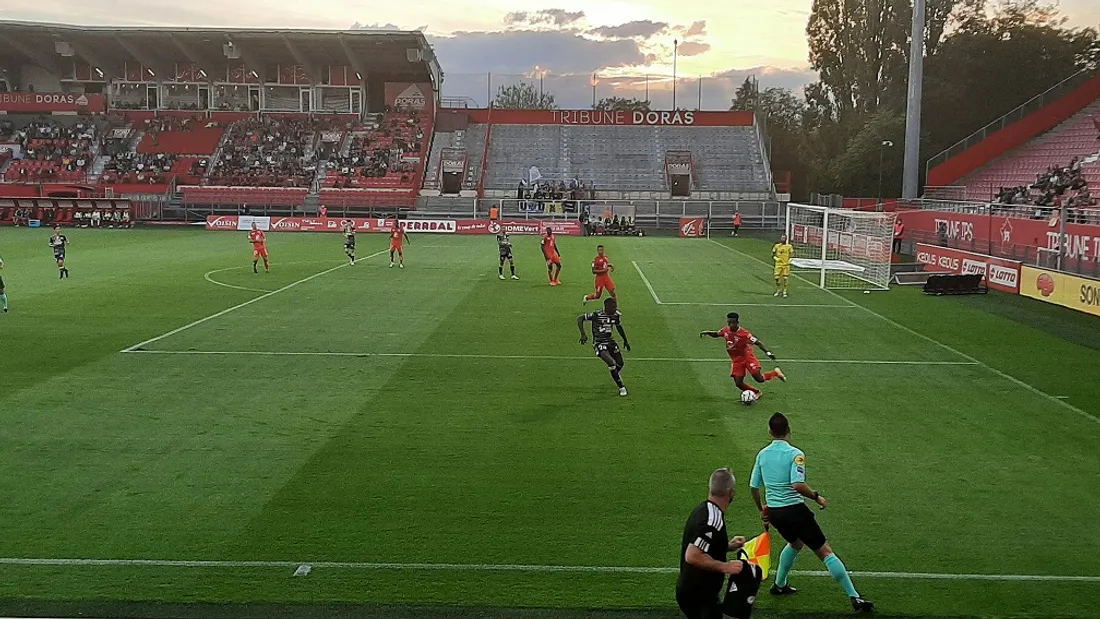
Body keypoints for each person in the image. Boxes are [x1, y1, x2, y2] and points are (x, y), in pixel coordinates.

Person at [750, 413, 874, 612]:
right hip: (795, 511)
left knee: (795, 543)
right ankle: (854, 597)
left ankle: (779, 585)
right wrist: (817, 497)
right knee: (825, 552)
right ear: (788, 430)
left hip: (775, 513)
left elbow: (754, 487)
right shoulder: (795, 454)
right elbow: (797, 484)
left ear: (770, 431)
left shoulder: (762, 455)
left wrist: (762, 510)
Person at [675, 467, 747, 619]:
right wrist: (725, 567)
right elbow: (692, 555)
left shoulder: (704, 509)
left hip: (694, 591)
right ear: (731, 492)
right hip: (699, 597)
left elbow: (704, 546)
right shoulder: (711, 520)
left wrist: (728, 546)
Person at [700, 313, 784, 399]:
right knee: (738, 383)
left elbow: (757, 343)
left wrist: (768, 353)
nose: (730, 325)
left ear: (737, 322)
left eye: (732, 323)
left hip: (747, 357)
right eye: (729, 323)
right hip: (736, 360)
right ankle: (756, 392)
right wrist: (708, 332)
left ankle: (775, 373)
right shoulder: (726, 330)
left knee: (759, 378)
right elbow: (717, 334)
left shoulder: (744, 334)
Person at [577, 296, 631, 396]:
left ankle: (615, 375)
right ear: (607, 307)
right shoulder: (597, 315)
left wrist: (625, 341)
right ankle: (621, 388)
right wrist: (583, 334)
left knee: (620, 363)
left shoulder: (615, 315)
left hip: (611, 342)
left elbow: (619, 327)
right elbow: (580, 318)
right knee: (611, 363)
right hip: (599, 343)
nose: (615, 309)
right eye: (613, 307)